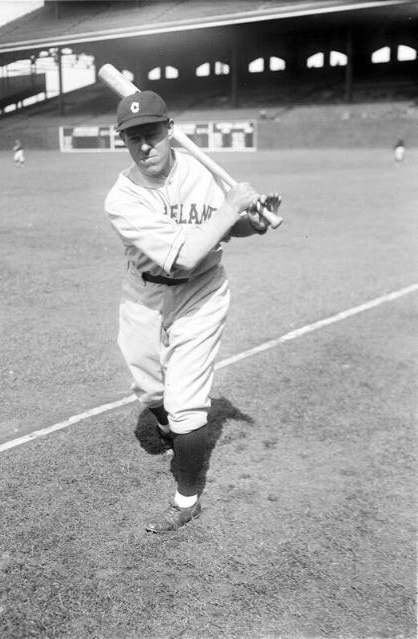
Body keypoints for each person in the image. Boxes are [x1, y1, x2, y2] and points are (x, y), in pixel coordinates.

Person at [104, 90, 281, 533]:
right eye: (133, 138)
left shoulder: (201, 170)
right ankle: (166, 424)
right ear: (123, 142)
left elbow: (226, 227)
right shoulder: (122, 198)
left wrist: (251, 223)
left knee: (185, 401)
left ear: (170, 131)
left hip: (201, 291)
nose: (144, 146)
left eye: (152, 134)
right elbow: (181, 254)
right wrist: (231, 207)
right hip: (144, 292)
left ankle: (186, 500)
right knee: (148, 384)